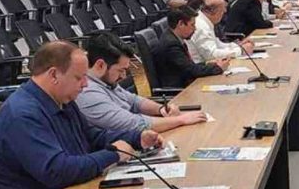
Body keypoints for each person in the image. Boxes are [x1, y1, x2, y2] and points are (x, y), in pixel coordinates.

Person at [0, 41, 164, 189]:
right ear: (54, 75)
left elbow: (92, 137)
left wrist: (136, 138)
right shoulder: (22, 115)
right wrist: (114, 154)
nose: (85, 84)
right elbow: (58, 171)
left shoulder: (62, 99)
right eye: (79, 77)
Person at [76, 33, 208, 132]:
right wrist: (180, 120)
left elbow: (134, 101)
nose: (123, 76)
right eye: (121, 70)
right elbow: (134, 125)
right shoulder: (88, 93)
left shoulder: (105, 81)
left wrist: (161, 109)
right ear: (100, 65)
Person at [152, 6, 229, 88]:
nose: (195, 29)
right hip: (180, 90)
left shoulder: (172, 37)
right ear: (181, 24)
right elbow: (191, 71)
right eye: (192, 25)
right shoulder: (171, 45)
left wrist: (209, 64)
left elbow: (187, 66)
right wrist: (218, 68)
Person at [188, 0, 253, 63]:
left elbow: (218, 44)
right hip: (203, 65)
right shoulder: (201, 26)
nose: (224, 12)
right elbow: (211, 55)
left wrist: (238, 45)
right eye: (222, 11)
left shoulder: (204, 21)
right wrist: (241, 51)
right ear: (212, 11)